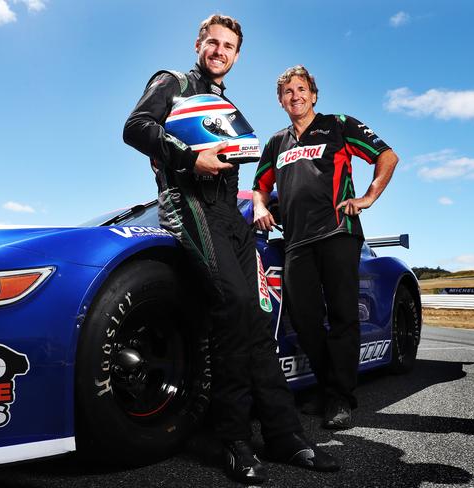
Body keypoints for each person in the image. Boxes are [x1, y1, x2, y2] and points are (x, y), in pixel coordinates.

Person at [124, 16, 338, 485]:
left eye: (229, 46)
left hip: (231, 217)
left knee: (258, 319)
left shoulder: (226, 103)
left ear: (237, 56)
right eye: (213, 42)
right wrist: (187, 156)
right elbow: (135, 127)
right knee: (234, 306)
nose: (220, 51)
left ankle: (286, 437)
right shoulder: (173, 82)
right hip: (189, 205)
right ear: (198, 44)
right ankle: (234, 440)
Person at [252, 65, 399, 430]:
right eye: (288, 92)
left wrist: (368, 196)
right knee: (303, 320)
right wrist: (258, 206)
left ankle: (340, 399)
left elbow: (387, 156)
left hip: (339, 232)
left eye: (301, 89)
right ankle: (325, 387)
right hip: (296, 241)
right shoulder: (276, 143)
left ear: (313, 94)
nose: (295, 96)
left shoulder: (339, 124)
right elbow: (260, 186)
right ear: (280, 100)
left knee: (342, 316)